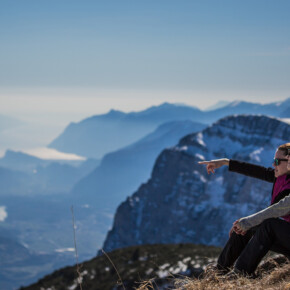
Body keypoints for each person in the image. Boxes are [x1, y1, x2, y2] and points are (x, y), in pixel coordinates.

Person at [199, 143, 290, 276]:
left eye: (277, 161)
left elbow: (279, 209)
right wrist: (226, 162)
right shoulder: (281, 177)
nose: (273, 165)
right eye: (273, 161)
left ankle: (239, 274)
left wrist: (248, 222)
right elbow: (256, 170)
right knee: (242, 229)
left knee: (267, 225)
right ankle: (219, 272)